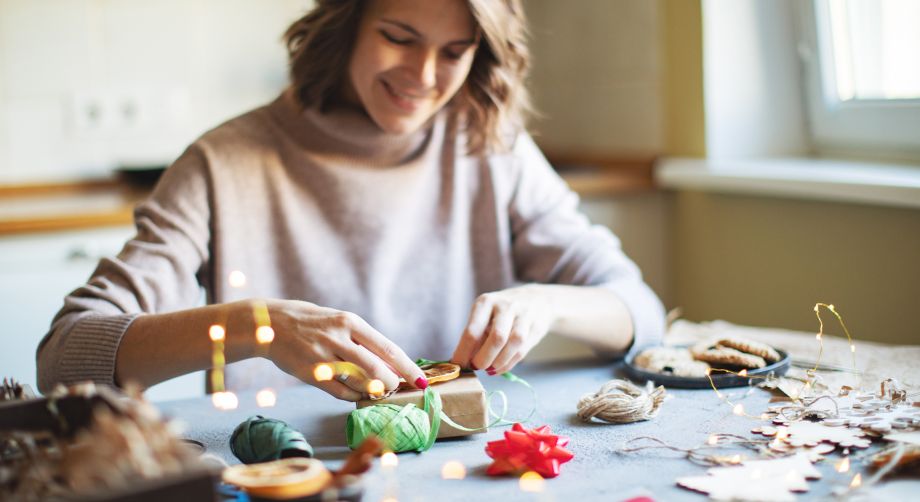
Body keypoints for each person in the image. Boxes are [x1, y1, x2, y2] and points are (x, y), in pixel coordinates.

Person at [37, 0, 665, 401]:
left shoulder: (490, 146)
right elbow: (65, 358)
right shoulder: (222, 163)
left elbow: (641, 312)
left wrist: (546, 303)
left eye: (453, 52)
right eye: (399, 36)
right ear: (345, 25)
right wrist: (261, 327)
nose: (422, 78)